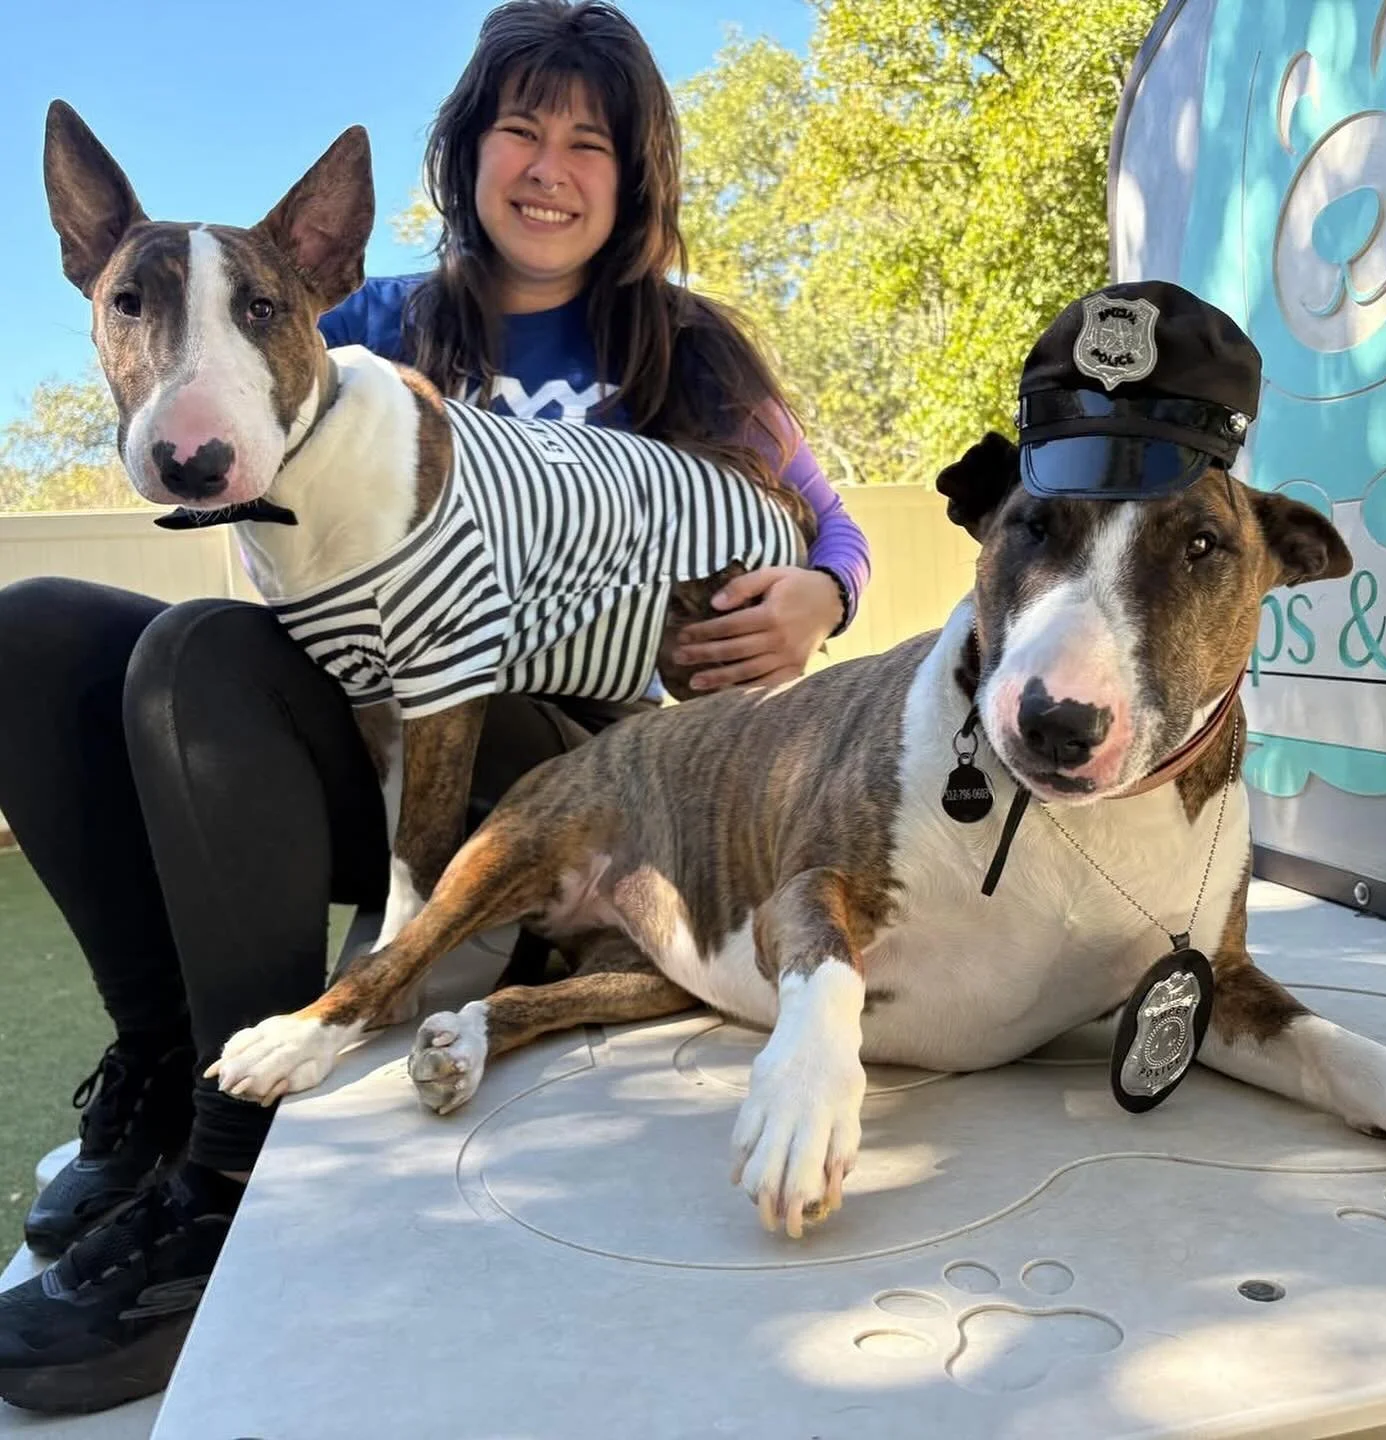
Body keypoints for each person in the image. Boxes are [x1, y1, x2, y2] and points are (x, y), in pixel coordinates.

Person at [0, 0, 871, 1415]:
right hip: (378, 730)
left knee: (208, 658)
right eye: (520, 127)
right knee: (39, 635)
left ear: (632, 179)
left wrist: (821, 597)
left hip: (579, 764)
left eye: (590, 142)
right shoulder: (367, 312)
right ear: (467, 154)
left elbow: (826, 526)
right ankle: (164, 1070)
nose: (549, 165)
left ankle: (227, 1172)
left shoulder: (682, 345)